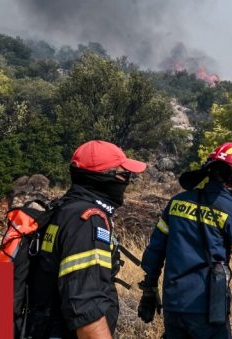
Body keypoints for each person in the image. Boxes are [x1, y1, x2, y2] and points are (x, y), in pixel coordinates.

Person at [138, 142, 232, 338]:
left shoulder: (177, 202)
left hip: (173, 305)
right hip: (207, 308)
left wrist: (149, 290)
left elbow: (155, 251)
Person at [26, 140, 147, 339]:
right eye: (124, 174)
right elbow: (85, 306)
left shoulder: (64, 208)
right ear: (103, 178)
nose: (127, 181)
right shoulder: (87, 221)